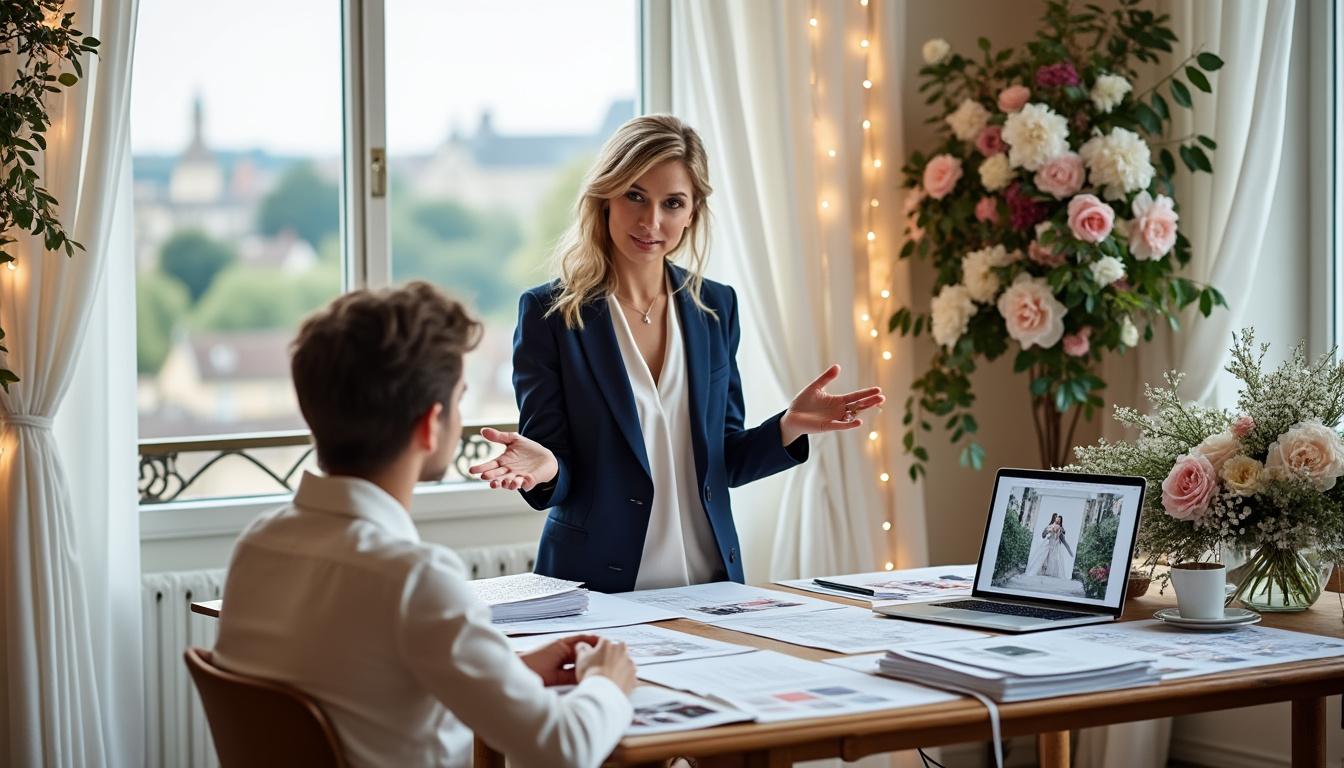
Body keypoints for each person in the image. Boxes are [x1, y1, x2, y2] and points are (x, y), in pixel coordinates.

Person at [213, 282, 637, 768]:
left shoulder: (259, 544)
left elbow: (362, 685)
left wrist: (512, 672)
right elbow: (564, 749)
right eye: (459, 399)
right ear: (430, 425)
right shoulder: (412, 578)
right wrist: (606, 682)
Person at [468, 114, 884, 592]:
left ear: (692, 212)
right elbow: (556, 466)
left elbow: (725, 461)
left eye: (672, 203)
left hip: (709, 586)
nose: (651, 221)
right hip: (594, 587)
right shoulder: (549, 314)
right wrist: (547, 469)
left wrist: (789, 426)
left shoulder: (716, 307)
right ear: (605, 197)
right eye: (635, 196)